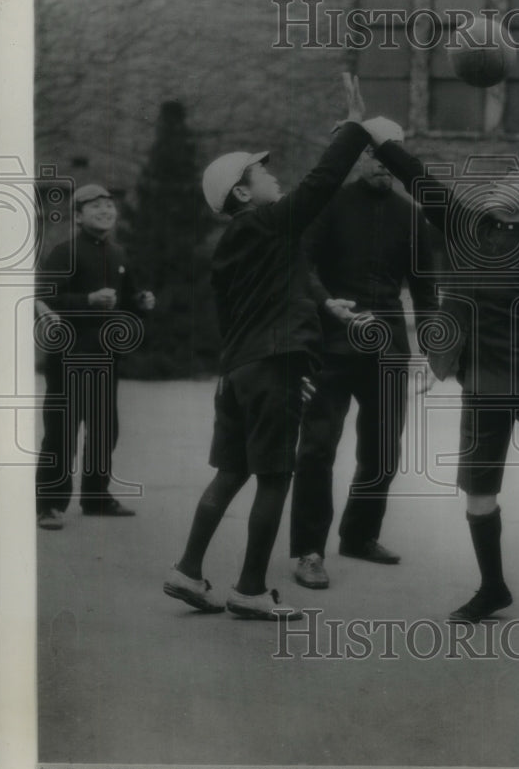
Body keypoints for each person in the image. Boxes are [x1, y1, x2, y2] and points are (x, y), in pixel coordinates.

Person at [359, 115, 519, 643]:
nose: (499, 189)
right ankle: (493, 588)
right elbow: (424, 184)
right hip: (482, 385)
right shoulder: (469, 229)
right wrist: (382, 141)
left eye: (515, 187)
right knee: (478, 495)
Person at [163, 75, 372, 620]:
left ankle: (187, 570)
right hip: (275, 367)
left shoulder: (235, 243)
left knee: (230, 473)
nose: (273, 175)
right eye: (262, 172)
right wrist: (354, 128)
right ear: (240, 192)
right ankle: (250, 590)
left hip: (238, 371)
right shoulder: (269, 223)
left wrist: (325, 305)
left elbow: (290, 278)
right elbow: (322, 183)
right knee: (276, 477)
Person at [290, 134, 439, 589]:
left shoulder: (412, 216)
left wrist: (432, 351)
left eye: (390, 159)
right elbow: (303, 267)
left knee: (383, 451)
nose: (383, 166)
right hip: (332, 342)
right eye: (374, 156)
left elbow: (425, 289)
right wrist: (324, 305)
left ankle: (359, 535)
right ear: (358, 160)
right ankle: (309, 551)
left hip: (390, 348)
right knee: (317, 448)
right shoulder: (329, 205)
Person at [35, 183, 155, 530]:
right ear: (77, 216)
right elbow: (44, 302)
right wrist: (87, 300)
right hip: (67, 357)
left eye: (109, 205)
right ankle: (49, 505)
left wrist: (142, 303)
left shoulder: (118, 254)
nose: (105, 210)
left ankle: (95, 497)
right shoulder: (64, 253)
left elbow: (128, 299)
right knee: (61, 432)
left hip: (105, 357)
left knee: (105, 431)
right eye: (95, 206)